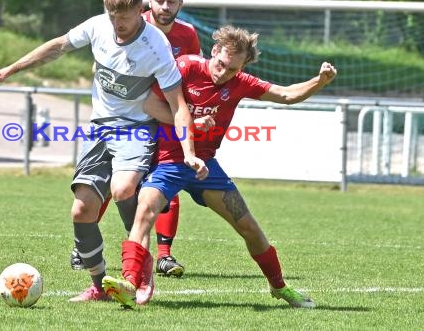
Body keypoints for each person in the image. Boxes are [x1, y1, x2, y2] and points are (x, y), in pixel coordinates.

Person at [0, 0, 208, 303]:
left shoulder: (156, 46)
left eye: (124, 18)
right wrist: (7, 71)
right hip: (99, 127)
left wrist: (189, 150)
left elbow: (178, 105)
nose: (118, 25)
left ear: (138, 10)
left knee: (123, 188)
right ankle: (100, 285)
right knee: (81, 211)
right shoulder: (99, 25)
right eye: (113, 16)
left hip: (136, 129)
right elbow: (57, 46)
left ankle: (140, 270)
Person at [101, 25, 337, 308]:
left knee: (249, 228)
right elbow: (150, 106)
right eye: (221, 64)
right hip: (170, 162)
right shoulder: (185, 67)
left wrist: (320, 81)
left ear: (242, 68)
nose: (223, 73)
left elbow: (286, 95)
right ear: (214, 51)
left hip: (206, 168)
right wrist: (190, 124)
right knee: (145, 210)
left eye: (232, 70)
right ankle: (130, 281)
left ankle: (280, 287)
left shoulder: (242, 82)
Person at [70, 0, 202, 278]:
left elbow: (191, 76)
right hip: (132, 117)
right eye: (160, 0)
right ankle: (88, 245)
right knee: (109, 186)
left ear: (180, 4)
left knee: (165, 179)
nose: (165, 6)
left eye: (171, 1)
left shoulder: (187, 35)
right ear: (148, 2)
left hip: (166, 115)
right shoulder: (128, 21)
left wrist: (192, 116)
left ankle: (163, 255)